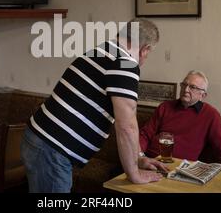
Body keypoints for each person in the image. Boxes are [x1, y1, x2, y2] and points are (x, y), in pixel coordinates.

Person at [20, 18, 169, 192]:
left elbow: (128, 120)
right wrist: (134, 173)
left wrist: (139, 157)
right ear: (145, 49)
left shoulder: (101, 51)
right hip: (52, 149)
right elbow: (126, 125)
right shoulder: (125, 64)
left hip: (43, 142)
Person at [139, 70, 221, 165]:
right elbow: (145, 134)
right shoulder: (165, 107)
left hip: (181, 167)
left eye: (192, 87)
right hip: (150, 160)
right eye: (184, 85)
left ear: (202, 95)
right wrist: (139, 156)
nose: (186, 89)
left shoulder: (210, 114)